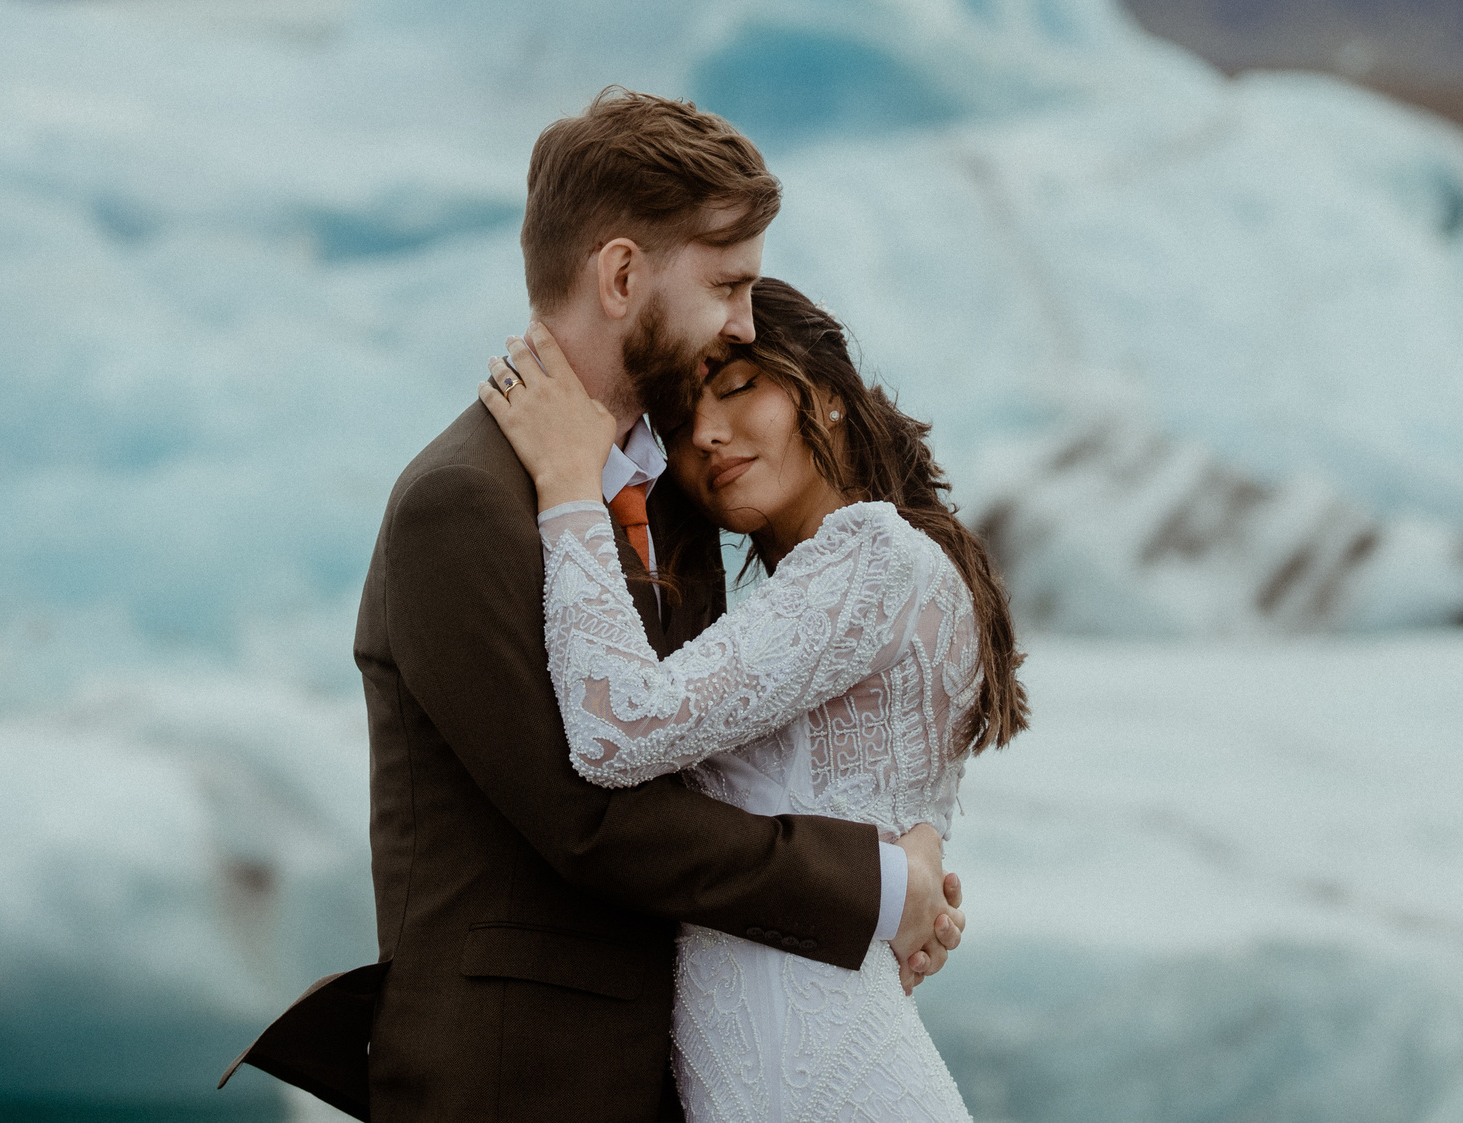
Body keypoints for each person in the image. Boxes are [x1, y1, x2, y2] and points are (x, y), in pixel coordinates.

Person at [224, 89, 965, 1121]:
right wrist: (872, 886)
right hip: (516, 1082)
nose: (746, 324)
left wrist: (912, 835)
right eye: (728, 286)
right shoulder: (462, 502)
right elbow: (587, 821)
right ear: (620, 275)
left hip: (675, 1071)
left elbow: (732, 735)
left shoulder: (670, 499)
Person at [482, 276, 1027, 1122]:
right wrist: (904, 882)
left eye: (740, 389)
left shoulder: (872, 554)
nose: (706, 433)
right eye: (679, 419)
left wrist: (564, 481)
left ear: (831, 396)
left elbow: (617, 729)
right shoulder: (861, 577)